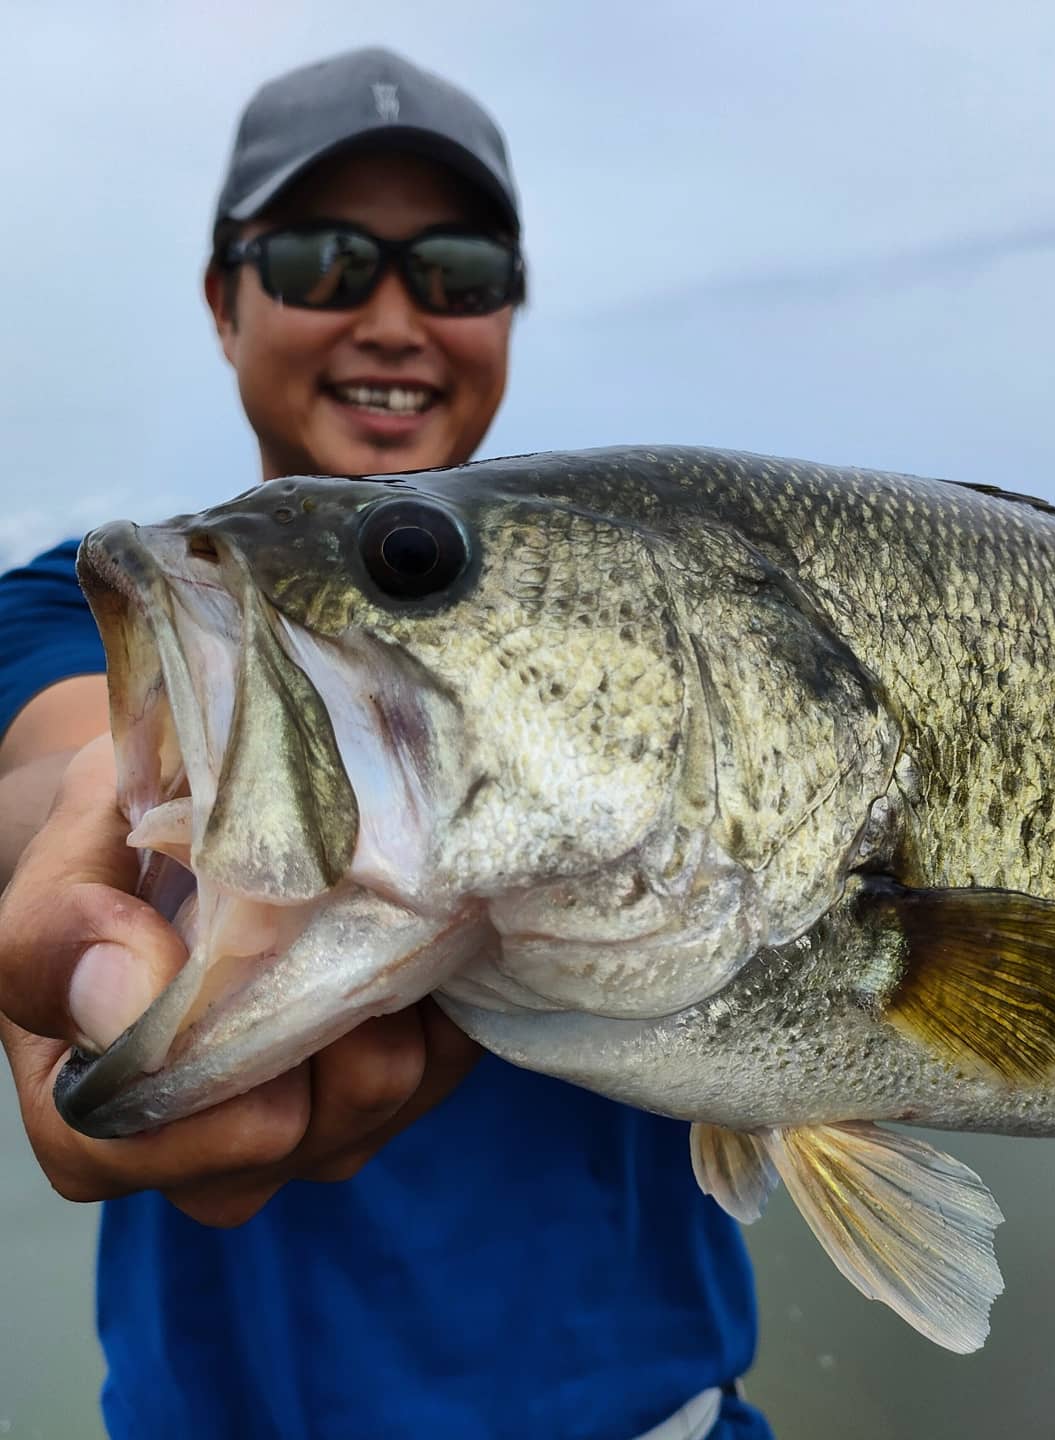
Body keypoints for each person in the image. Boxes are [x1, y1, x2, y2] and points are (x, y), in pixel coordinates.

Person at [0, 48, 770, 1440]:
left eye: (458, 272)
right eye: (325, 260)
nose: (397, 320)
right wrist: (85, 846)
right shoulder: (83, 606)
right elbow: (52, 770)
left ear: (510, 311)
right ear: (224, 300)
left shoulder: (663, 613)